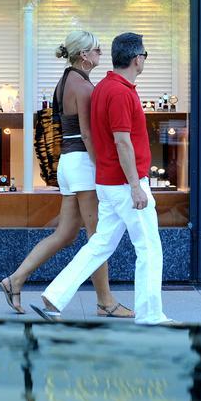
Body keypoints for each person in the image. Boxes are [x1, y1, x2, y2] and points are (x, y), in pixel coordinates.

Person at [32, 32, 171, 325]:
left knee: (99, 245)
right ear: (137, 59)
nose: (145, 60)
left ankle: (55, 295)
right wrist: (136, 186)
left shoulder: (105, 86)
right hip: (124, 183)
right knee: (149, 247)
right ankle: (150, 315)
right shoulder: (120, 92)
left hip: (108, 182)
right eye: (145, 55)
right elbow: (122, 141)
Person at [0, 30, 132, 318]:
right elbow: (87, 133)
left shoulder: (65, 80)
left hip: (68, 164)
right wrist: (102, 167)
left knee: (66, 233)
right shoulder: (83, 87)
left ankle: (15, 280)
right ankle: (105, 302)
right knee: (97, 237)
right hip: (83, 164)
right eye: (96, 50)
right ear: (84, 55)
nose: (100, 54)